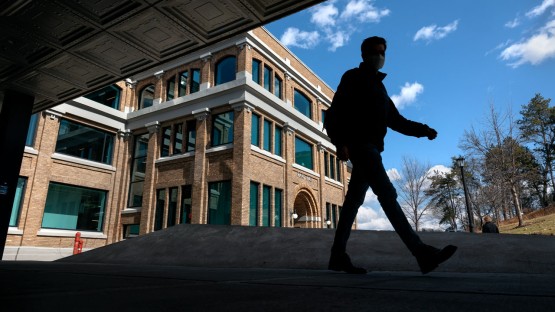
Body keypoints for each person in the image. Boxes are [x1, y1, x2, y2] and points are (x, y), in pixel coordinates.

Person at [327, 36, 457, 275]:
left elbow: (397, 120)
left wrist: (423, 130)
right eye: (375, 52)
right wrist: (339, 142)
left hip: (373, 148)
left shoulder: (380, 88)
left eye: (383, 53)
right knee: (387, 195)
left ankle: (337, 255)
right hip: (361, 146)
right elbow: (335, 112)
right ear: (365, 55)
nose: (380, 57)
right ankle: (421, 253)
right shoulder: (352, 78)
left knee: (352, 203)